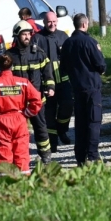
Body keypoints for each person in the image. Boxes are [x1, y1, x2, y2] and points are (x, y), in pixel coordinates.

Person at [0, 54, 42, 175]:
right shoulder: (23, 82)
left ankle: (7, 182)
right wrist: (26, 114)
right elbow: (37, 100)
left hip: (1, 121)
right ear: (12, 67)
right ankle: (24, 182)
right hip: (19, 119)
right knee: (22, 151)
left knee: (3, 151)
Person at [60, 13, 106, 166]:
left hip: (77, 89)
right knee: (93, 121)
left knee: (80, 123)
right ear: (85, 24)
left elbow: (63, 69)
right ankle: (92, 155)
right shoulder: (90, 42)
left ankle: (80, 157)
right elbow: (101, 66)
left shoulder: (67, 44)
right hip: (92, 88)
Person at [6, 20, 54, 164]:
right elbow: (4, 79)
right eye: (24, 35)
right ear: (16, 36)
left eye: (29, 34)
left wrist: (50, 88)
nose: (27, 37)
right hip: (17, 103)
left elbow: (48, 74)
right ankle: (19, 158)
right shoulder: (9, 56)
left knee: (41, 128)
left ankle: (45, 156)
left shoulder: (39, 53)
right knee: (17, 132)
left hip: (36, 101)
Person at [33, 11, 73, 149]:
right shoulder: (37, 38)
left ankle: (62, 130)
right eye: (49, 22)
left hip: (63, 80)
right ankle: (53, 142)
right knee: (49, 113)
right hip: (46, 83)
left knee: (67, 107)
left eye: (54, 21)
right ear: (44, 22)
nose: (52, 24)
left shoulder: (63, 36)